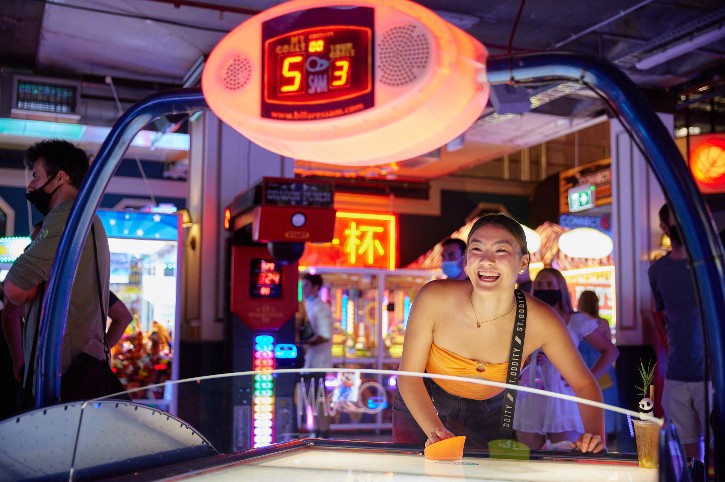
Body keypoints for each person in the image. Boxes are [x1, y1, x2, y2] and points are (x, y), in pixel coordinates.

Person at [393, 213, 606, 453]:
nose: (487, 260)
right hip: (421, 406)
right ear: (466, 260)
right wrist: (437, 433)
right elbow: (409, 377)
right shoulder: (433, 298)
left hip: (488, 415)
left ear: (523, 263)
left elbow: (585, 384)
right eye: (477, 249)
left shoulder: (540, 320)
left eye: (501, 250)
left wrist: (595, 440)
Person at [2, 139, 111, 402]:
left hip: (60, 377)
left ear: (59, 177)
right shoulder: (84, 218)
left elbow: (14, 289)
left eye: (37, 176)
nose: (31, 186)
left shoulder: (66, 216)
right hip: (73, 373)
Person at [513, 269, 619, 450]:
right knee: (529, 458)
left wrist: (589, 377)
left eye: (549, 285)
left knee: (566, 455)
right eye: (539, 285)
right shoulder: (525, 318)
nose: (544, 289)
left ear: (560, 288)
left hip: (563, 394)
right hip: (530, 393)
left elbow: (610, 351)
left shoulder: (576, 320)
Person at [648, 203, 712, 461]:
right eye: (677, 220)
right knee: (687, 451)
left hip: (713, 374)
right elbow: (663, 315)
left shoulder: (711, 263)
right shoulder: (657, 271)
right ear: (665, 227)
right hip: (677, 373)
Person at [300, 272, 333, 437]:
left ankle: (324, 432)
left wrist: (303, 343)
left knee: (318, 398)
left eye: (306, 286)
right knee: (311, 398)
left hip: (318, 362)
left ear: (316, 288)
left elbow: (324, 335)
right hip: (310, 362)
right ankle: (319, 431)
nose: (303, 289)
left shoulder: (321, 308)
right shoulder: (308, 305)